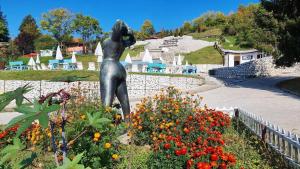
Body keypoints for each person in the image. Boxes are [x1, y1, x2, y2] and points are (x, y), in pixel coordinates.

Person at [100, 20, 136, 122]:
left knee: (107, 101)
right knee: (124, 99)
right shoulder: (122, 43)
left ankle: (104, 127)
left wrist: (122, 24)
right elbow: (133, 41)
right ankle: (128, 123)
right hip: (119, 68)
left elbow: (118, 25)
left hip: (108, 68)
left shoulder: (111, 40)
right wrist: (130, 32)